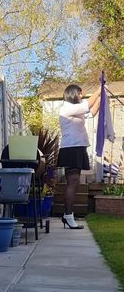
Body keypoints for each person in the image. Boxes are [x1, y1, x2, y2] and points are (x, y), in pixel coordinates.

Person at [57, 84, 101, 229]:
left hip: (78, 147)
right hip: (71, 148)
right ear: (73, 94)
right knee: (73, 182)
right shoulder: (67, 108)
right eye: (80, 93)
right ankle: (68, 215)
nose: (82, 96)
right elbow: (88, 105)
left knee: (75, 183)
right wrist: (99, 88)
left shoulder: (76, 109)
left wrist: (101, 98)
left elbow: (92, 111)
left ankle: (67, 215)